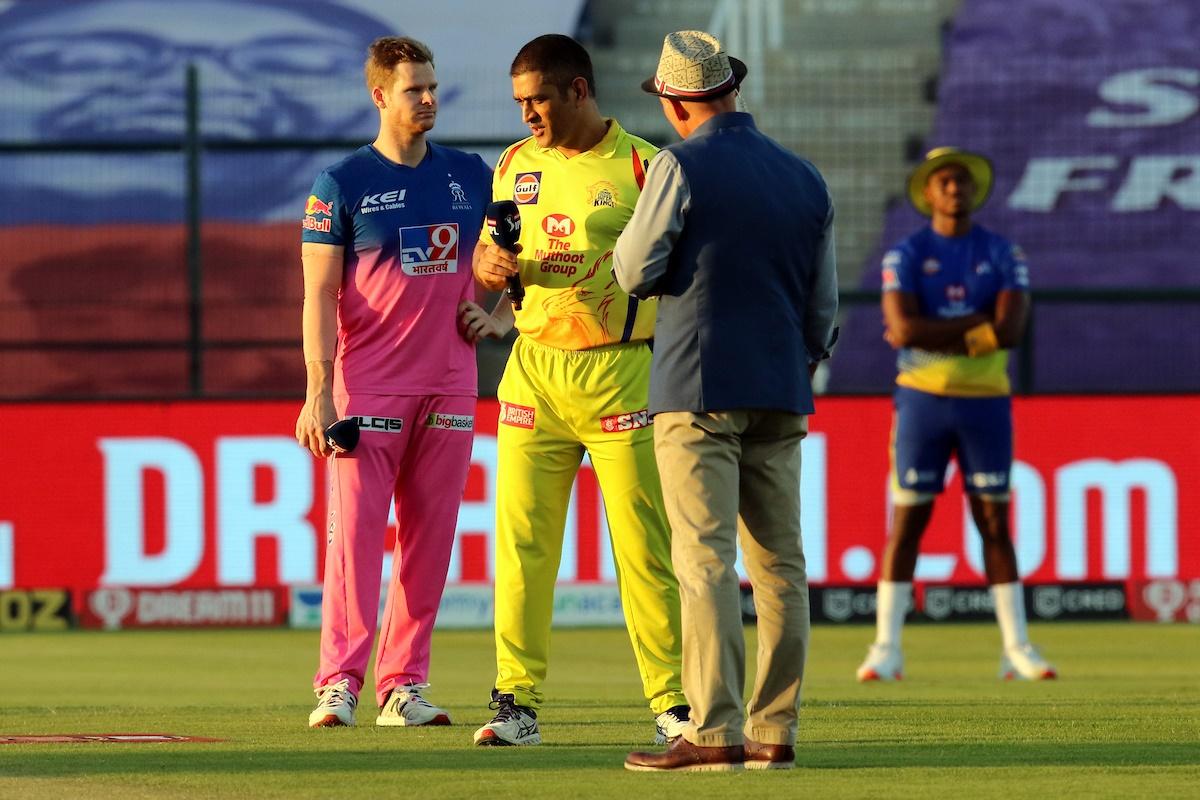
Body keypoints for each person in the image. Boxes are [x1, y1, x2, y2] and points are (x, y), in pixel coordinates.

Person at [615, 31, 839, 772]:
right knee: (781, 567)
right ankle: (774, 731)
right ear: (732, 90)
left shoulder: (680, 164)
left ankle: (711, 731)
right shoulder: (803, 176)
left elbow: (633, 270)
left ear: (678, 104)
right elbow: (824, 311)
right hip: (781, 386)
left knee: (704, 560)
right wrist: (797, 361)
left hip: (696, 385)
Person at [463, 33, 688, 747]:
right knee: (523, 543)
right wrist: (492, 269)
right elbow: (492, 251)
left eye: (538, 100)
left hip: (621, 370)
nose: (527, 115)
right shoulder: (513, 163)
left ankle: (674, 703)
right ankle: (514, 703)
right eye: (519, 103)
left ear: (578, 91)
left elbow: (681, 273)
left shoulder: (645, 166)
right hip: (533, 369)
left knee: (642, 548)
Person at [296, 36, 492, 728]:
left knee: (431, 541)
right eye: (415, 90)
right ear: (380, 95)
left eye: (433, 86)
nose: (429, 99)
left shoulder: (472, 174)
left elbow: (507, 257)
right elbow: (318, 296)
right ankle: (339, 684)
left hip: (450, 383)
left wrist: (490, 305)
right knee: (353, 542)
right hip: (367, 386)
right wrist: (319, 389)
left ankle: (403, 685)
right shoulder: (341, 184)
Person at [855, 147, 1055, 682]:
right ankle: (886, 649)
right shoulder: (905, 254)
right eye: (944, 181)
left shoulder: (1002, 252)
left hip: (986, 402)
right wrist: (977, 328)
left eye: (962, 181)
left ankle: (1017, 649)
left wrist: (933, 331)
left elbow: (1011, 331)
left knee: (994, 522)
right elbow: (904, 330)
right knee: (909, 521)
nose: (954, 189)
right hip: (922, 400)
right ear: (928, 192)